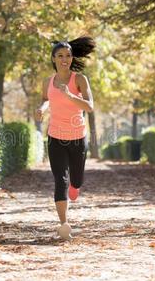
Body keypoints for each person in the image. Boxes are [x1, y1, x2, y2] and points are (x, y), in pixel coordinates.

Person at [35, 36, 95, 239]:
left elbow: (89, 107)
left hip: (77, 136)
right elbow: (46, 99)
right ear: (53, 59)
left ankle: (75, 185)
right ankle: (63, 224)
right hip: (55, 136)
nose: (64, 59)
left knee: (75, 180)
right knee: (60, 180)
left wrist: (70, 95)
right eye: (60, 55)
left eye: (68, 55)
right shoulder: (47, 82)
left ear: (71, 58)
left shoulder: (79, 79)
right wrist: (41, 108)